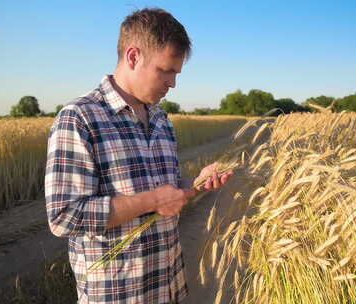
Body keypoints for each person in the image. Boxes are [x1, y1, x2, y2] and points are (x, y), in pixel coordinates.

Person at [44, 8, 233, 304]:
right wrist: (154, 201)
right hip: (117, 295)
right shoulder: (80, 118)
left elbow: (163, 191)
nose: (173, 83)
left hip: (167, 285)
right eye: (166, 70)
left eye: (176, 73)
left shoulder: (161, 120)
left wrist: (195, 184)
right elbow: (64, 216)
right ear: (133, 57)